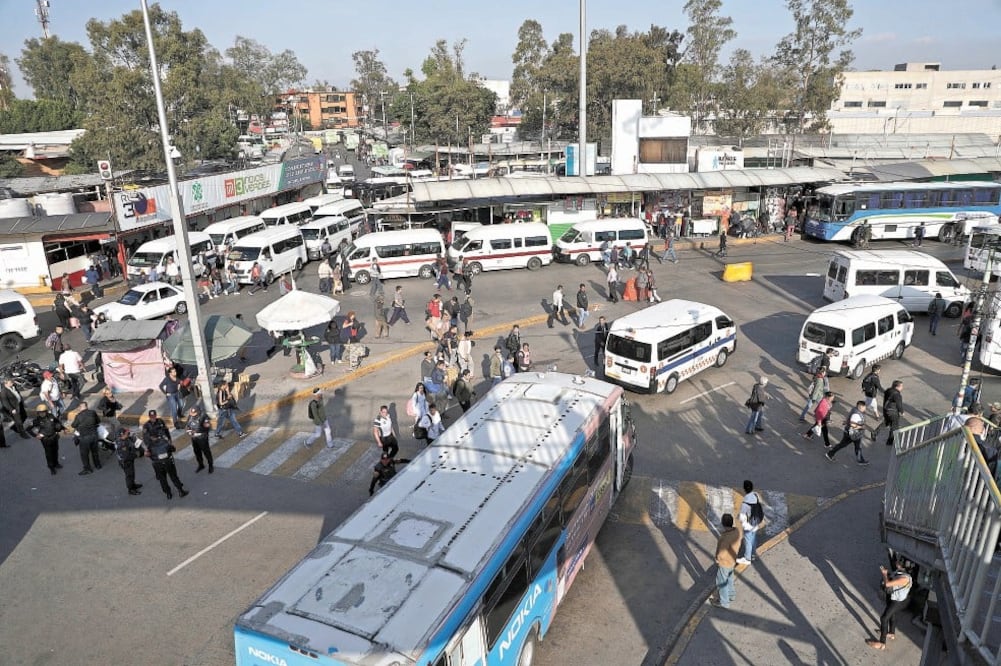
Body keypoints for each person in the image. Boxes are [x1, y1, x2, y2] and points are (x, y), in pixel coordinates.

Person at [866, 558, 913, 651]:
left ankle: (882, 643)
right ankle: (891, 633)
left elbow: (887, 584)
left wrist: (884, 574)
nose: (896, 563)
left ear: (902, 566)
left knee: (884, 618)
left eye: (899, 563)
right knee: (892, 615)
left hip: (897, 601)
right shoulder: (901, 572)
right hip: (894, 597)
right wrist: (888, 574)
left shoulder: (904, 578)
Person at [143, 410, 188, 500]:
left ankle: (169, 493)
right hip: (165, 461)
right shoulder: (148, 429)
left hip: (157, 462)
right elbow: (172, 449)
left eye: (154, 416)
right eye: (151, 417)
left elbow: (166, 432)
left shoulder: (160, 423)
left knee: (163, 479)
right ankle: (178, 490)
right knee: (172, 476)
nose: (153, 418)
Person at [711, 513, 742, 609]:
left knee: (721, 582)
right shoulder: (737, 531)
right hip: (732, 560)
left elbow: (722, 553)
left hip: (725, 562)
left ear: (723, 524)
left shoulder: (726, 538)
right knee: (730, 579)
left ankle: (724, 602)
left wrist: (717, 559)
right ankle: (731, 595)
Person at [826, 401, 869, 465]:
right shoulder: (856, 415)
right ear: (860, 407)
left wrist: (846, 422)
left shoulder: (855, 409)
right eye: (864, 407)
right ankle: (830, 453)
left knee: (853, 446)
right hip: (853, 434)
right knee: (849, 445)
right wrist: (862, 427)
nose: (865, 408)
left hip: (851, 433)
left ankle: (830, 453)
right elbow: (853, 425)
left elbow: (849, 419)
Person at [29, 403, 64, 474]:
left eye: (43, 412)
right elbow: (28, 429)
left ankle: (56, 463)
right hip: (45, 439)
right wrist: (35, 435)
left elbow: (57, 422)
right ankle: (51, 467)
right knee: (49, 454)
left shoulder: (51, 416)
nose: (42, 414)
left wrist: (64, 428)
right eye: (40, 412)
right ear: (38, 413)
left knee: (55, 451)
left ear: (46, 411)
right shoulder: (36, 421)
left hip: (54, 437)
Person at [737, 481, 764, 565]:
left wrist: (739, 519)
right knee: (753, 539)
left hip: (748, 525)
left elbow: (742, 516)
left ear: (744, 489)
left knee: (748, 541)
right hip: (756, 522)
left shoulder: (745, 503)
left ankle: (747, 558)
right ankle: (753, 554)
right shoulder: (756, 495)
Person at [71, 401, 102, 475]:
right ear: (86, 406)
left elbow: (73, 425)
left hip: (84, 438)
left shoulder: (78, 416)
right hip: (94, 436)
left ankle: (88, 469)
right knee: (95, 452)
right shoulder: (93, 412)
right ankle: (98, 465)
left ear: (80, 407)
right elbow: (98, 421)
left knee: (84, 454)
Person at [114, 427, 143, 495]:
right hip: (126, 462)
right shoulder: (121, 444)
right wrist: (137, 455)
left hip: (129, 460)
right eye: (126, 433)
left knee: (132, 474)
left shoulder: (125, 439)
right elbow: (127, 456)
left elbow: (131, 443)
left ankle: (133, 485)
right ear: (122, 435)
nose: (128, 434)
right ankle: (131, 489)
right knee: (129, 476)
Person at [186, 406, 214, 472]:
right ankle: (201, 465)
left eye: (193, 413)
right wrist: (188, 429)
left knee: (206, 452)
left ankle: (210, 465)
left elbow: (207, 427)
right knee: (197, 452)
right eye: (191, 413)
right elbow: (188, 424)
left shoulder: (203, 416)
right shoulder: (190, 416)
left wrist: (196, 431)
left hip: (202, 437)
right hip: (194, 437)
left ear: (198, 412)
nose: (192, 414)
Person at [883, 380, 905, 448]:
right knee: (894, 427)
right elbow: (899, 405)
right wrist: (902, 412)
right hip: (893, 412)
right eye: (902, 386)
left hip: (886, 409)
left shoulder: (888, 390)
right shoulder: (897, 395)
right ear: (897, 387)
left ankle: (875, 433)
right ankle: (890, 441)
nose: (903, 388)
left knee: (887, 422)